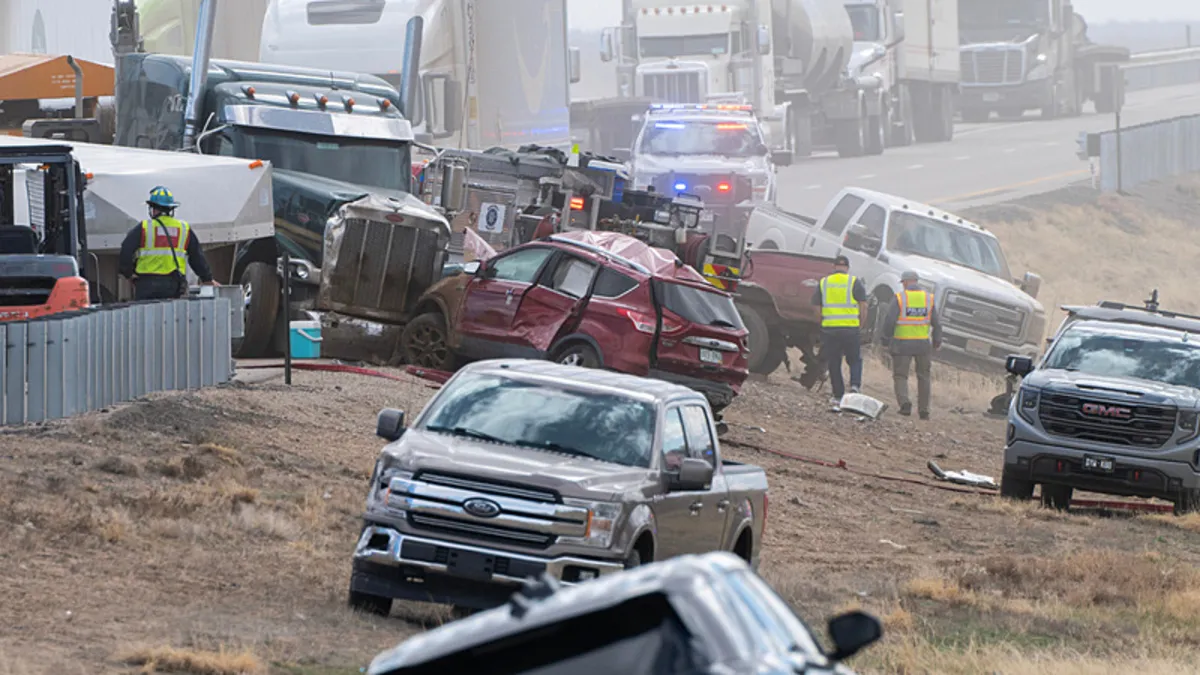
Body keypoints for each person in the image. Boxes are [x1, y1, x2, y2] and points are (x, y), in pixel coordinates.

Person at [119, 186, 218, 300]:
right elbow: (197, 257)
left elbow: (126, 250)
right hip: (173, 285)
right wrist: (207, 278)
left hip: (146, 284)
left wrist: (128, 273)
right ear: (171, 209)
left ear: (153, 209)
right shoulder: (183, 228)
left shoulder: (144, 228)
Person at [881, 270, 943, 420]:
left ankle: (904, 404)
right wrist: (937, 341)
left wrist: (885, 339)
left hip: (903, 343)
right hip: (923, 344)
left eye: (903, 283)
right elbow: (937, 323)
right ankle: (924, 410)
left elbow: (889, 320)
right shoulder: (928, 299)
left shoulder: (900, 298)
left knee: (901, 375)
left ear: (906, 282)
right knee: (924, 377)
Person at [812, 254, 868, 410]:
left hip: (830, 329)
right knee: (855, 359)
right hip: (850, 329)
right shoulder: (854, 282)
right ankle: (855, 386)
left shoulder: (824, 283)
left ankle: (838, 395)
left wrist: (822, 322)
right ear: (847, 268)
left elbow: (816, 307)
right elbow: (863, 306)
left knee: (834, 362)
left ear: (834, 267)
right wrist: (860, 324)